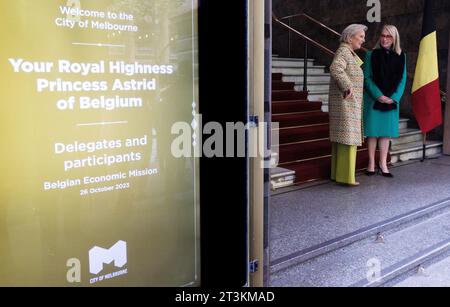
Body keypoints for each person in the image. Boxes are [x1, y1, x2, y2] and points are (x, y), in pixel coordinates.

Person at [363, 25, 407, 178]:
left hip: (391, 100)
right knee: (373, 133)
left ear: (395, 38)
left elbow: (403, 79)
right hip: (374, 99)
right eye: (382, 35)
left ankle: (383, 164)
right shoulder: (370, 55)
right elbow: (366, 78)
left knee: (385, 134)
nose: (384, 39)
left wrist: (394, 98)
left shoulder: (402, 56)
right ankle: (371, 163)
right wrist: (378, 95)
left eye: (388, 36)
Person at [329, 24, 367, 186]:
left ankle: (338, 174)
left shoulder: (348, 52)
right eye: (360, 37)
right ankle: (345, 177)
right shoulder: (344, 51)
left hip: (347, 104)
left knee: (344, 138)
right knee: (348, 139)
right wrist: (347, 86)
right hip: (346, 104)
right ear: (350, 37)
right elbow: (336, 68)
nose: (363, 40)